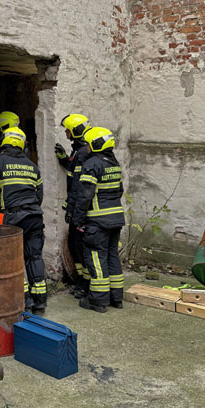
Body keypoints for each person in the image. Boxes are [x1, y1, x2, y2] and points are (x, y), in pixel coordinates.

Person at [0, 126, 47, 313]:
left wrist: (1, 212)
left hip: (12, 218)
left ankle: (25, 300)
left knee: (14, 259)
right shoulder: (32, 166)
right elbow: (39, 195)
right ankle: (40, 300)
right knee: (34, 256)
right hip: (34, 216)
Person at [71, 127, 125, 313]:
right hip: (116, 219)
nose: (86, 147)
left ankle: (98, 301)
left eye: (88, 143)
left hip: (97, 221)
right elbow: (119, 191)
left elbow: (85, 195)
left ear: (95, 144)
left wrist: (77, 220)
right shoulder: (113, 163)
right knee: (112, 256)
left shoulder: (92, 163)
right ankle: (116, 297)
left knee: (96, 258)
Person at [55, 114, 91, 297]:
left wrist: (74, 210)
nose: (66, 133)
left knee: (80, 246)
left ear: (75, 131)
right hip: (76, 207)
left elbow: (80, 185)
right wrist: (64, 160)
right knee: (74, 244)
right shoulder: (78, 151)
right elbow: (73, 173)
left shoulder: (84, 153)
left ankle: (86, 286)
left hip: (80, 210)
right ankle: (81, 282)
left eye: (68, 130)